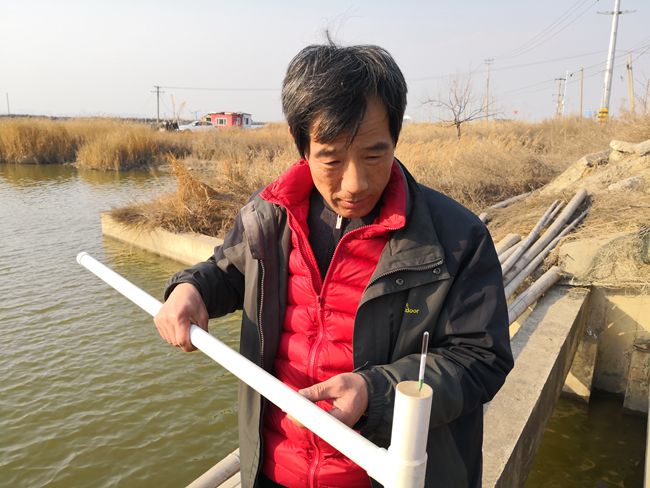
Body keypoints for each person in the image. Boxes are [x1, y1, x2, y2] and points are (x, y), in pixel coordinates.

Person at [154, 41, 514, 488]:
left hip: (382, 475)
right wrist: (191, 288)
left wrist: (376, 391)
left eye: (374, 155)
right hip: (274, 471)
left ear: (396, 139)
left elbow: (481, 358)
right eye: (331, 158)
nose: (355, 183)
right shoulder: (270, 216)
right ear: (301, 145)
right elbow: (229, 270)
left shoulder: (457, 239)